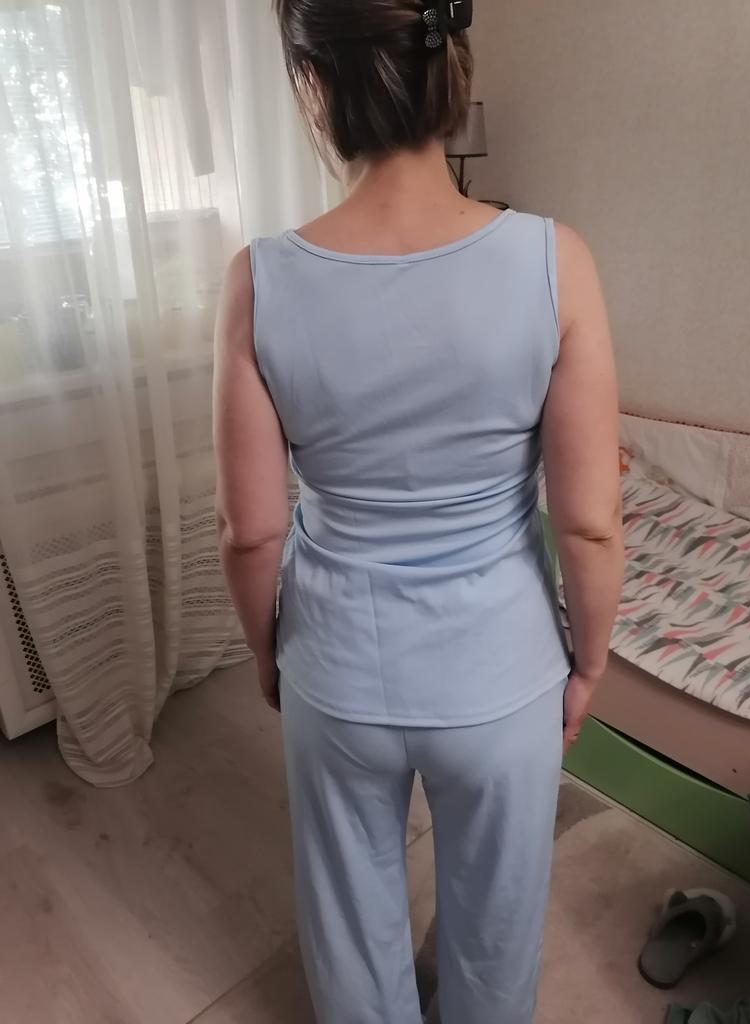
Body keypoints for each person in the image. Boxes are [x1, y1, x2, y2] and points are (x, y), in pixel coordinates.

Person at [213, 0, 624, 1021]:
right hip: (502, 671)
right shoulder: (556, 259)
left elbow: (252, 530)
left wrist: (268, 654)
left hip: (337, 666)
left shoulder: (258, 280)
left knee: (350, 925)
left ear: (314, 83)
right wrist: (587, 664)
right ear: (452, 68)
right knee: (498, 925)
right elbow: (589, 522)